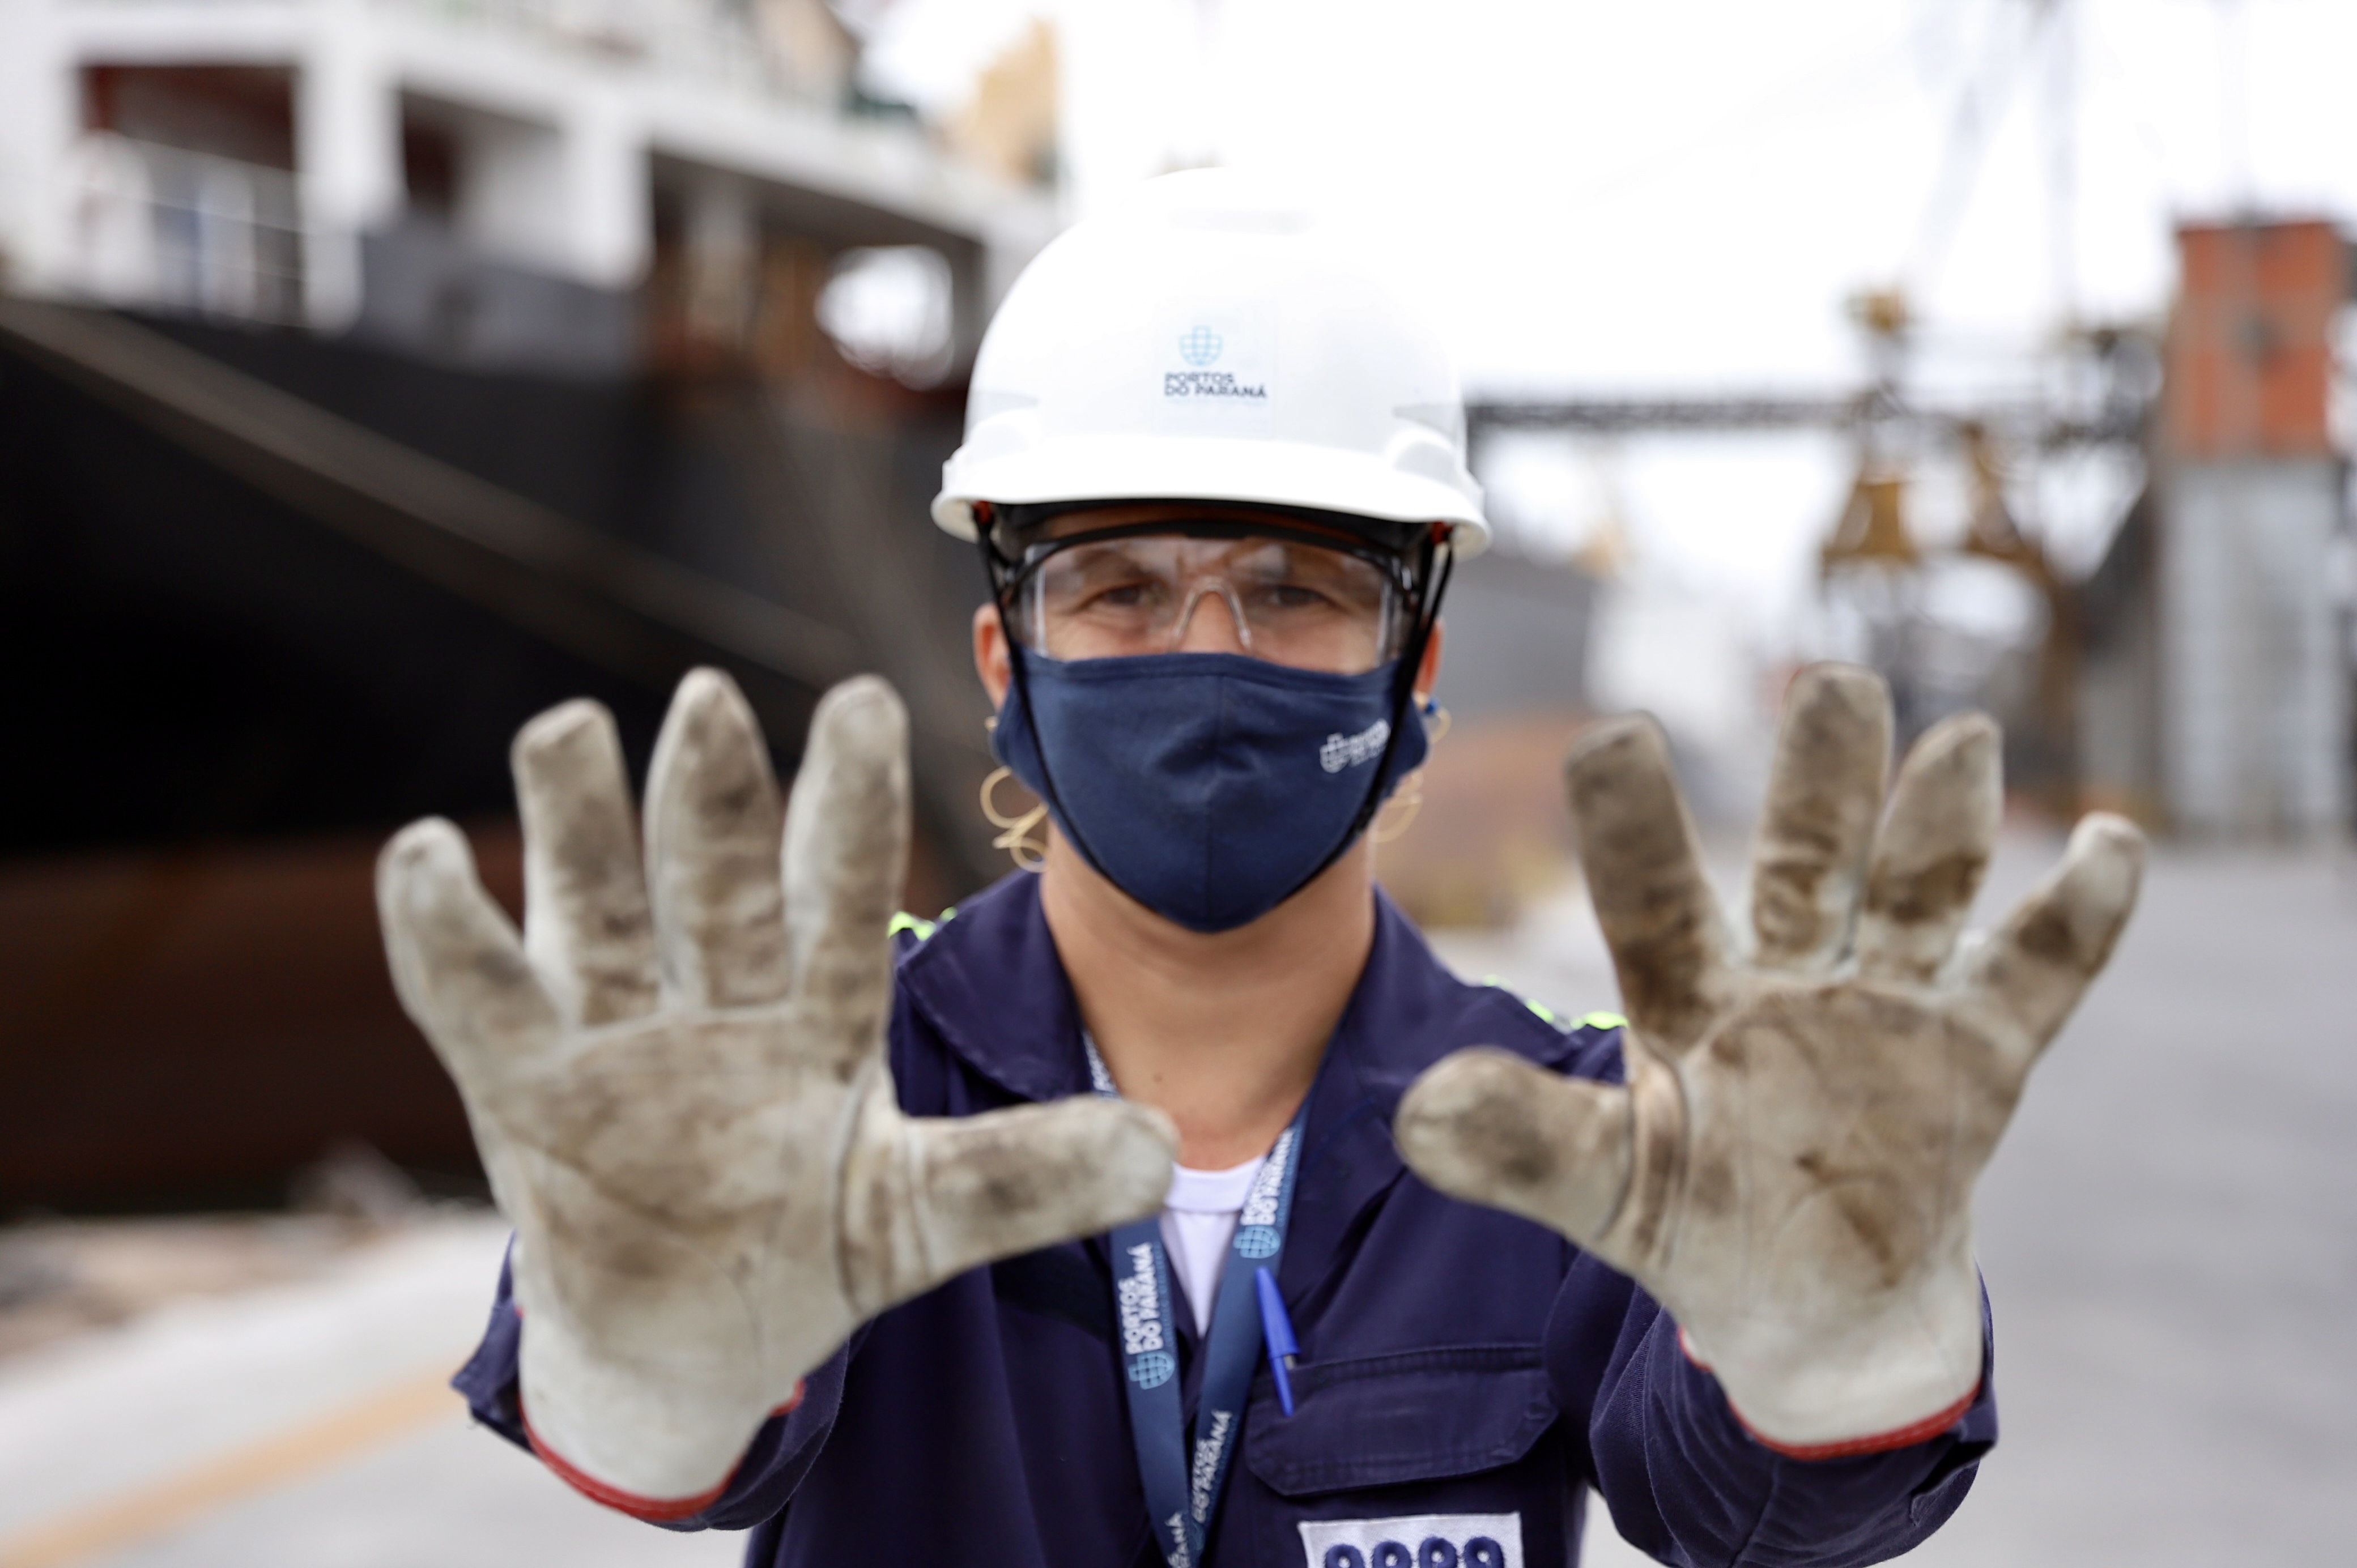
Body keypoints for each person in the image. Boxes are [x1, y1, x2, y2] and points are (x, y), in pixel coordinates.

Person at [376, 171, 2146, 1568]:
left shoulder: (1575, 1127)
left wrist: (1844, 1348)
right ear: (1007, 663)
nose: (1202, 648)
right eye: (1118, 589)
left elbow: (1751, 1514)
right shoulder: (829, 1078)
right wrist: (650, 1364)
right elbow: (675, 1460)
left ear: (1417, 664)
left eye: (1295, 589)